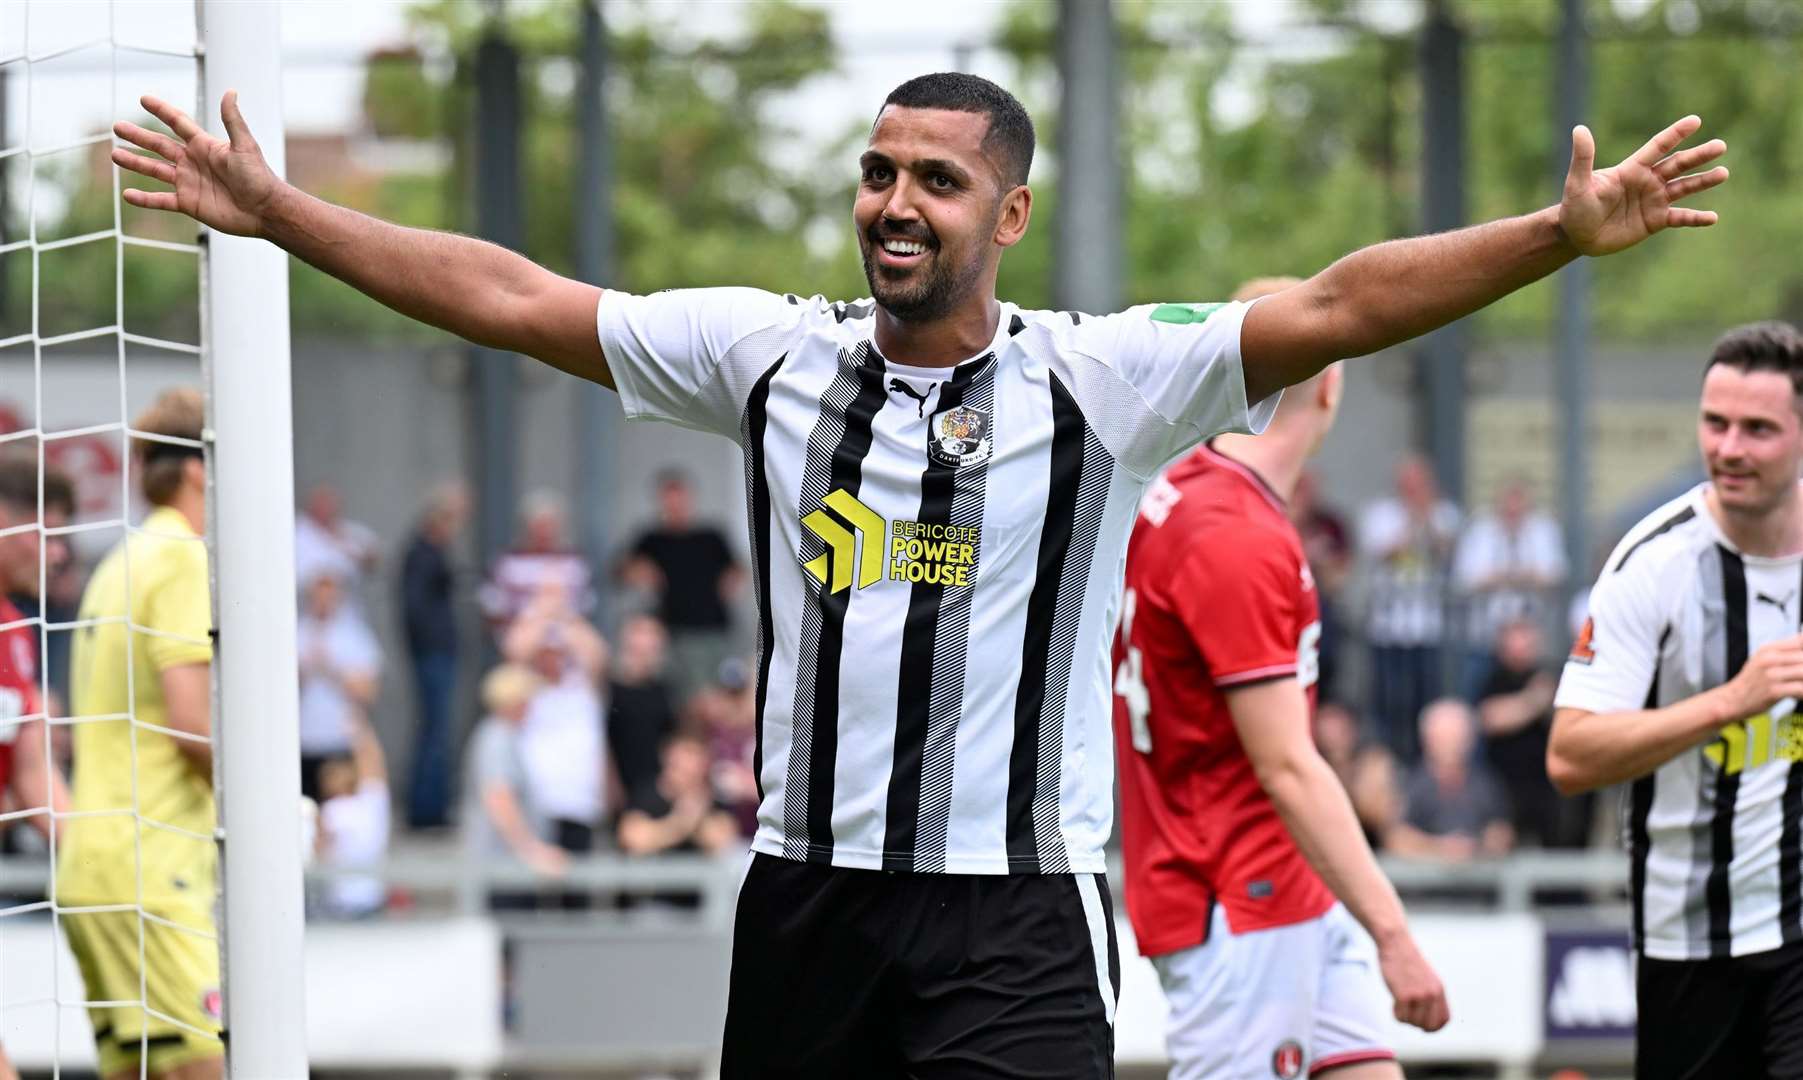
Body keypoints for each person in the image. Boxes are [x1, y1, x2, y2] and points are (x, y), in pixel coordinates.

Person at [113, 73, 1727, 1075]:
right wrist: (279, 214)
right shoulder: (766, 357)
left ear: (1007, 212)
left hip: (1013, 919)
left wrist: (1550, 234)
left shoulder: (1100, 379)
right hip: (806, 899)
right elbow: (515, 297)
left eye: (934, 180)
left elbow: (1335, 302)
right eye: (878, 171)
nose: (893, 202)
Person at [1112, 277, 1445, 1079]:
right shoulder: (1233, 534)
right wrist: (1393, 934)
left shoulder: (1174, 493)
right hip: (1238, 892)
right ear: (1330, 380)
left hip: (1286, 879)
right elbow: (1288, 764)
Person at [1549, 322, 1803, 1080]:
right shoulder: (1652, 563)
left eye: (1757, 429)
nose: (1729, 448)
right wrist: (1728, 701)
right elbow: (1569, 755)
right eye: (1714, 423)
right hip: (1685, 936)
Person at [60, 388, 222, 1080]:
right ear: (198, 470)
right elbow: (191, 727)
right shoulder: (184, 556)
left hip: (92, 867)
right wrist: (275, 801)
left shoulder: (121, 560)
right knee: (210, 1064)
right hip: (153, 868)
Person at [0, 454, 75, 1080]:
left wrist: (106, 853)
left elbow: (31, 777)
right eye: (45, 534)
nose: (56, 557)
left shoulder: (18, 630)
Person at [1359, 453, 1461, 761]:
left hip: (1425, 625)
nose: (1414, 491)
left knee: (1425, 697)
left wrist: (1426, 518)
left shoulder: (1443, 514)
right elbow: (1385, 551)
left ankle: (1424, 759)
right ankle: (1388, 760)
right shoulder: (1381, 514)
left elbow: (1447, 550)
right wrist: (1412, 520)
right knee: (1388, 700)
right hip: (1387, 626)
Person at [622, 470, 744, 708]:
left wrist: (730, 582)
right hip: (671, 630)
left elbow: (737, 569)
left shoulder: (711, 536)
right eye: (669, 498)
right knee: (678, 697)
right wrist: (639, 571)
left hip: (713, 629)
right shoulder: (652, 538)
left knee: (716, 694)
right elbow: (621, 571)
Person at [504, 583, 608, 862]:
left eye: (558, 651)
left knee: (576, 890)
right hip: (536, 804)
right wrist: (541, 610)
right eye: (546, 651)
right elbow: (514, 648)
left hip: (578, 802)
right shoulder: (526, 689)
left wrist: (564, 613)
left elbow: (597, 653)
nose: (552, 657)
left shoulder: (583, 689)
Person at [465, 663, 569, 908]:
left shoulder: (505, 736)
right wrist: (533, 851)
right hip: (502, 871)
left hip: (509, 868)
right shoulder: (497, 738)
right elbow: (499, 800)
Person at [1477, 618, 1585, 848]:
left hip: (1547, 787)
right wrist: (1533, 701)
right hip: (1504, 786)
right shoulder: (1493, 679)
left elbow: (1567, 717)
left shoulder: (1551, 674)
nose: (1520, 647)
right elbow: (1491, 718)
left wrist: (1523, 707)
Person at [1452, 478, 1567, 694]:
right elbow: (1466, 577)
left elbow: (1554, 573)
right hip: (1485, 635)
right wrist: (1511, 576)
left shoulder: (1543, 530)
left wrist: (1510, 576)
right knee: (1478, 693)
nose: (1513, 513)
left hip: (1531, 638)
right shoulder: (1481, 531)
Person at [399, 480, 469, 829]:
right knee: (434, 731)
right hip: (432, 654)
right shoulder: (423, 553)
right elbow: (416, 609)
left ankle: (432, 806)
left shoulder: (429, 552)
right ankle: (426, 810)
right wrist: (431, 645)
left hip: (436, 652)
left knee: (436, 729)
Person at [296, 559, 383, 802]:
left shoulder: (354, 635)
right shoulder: (296, 631)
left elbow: (369, 692)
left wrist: (330, 668)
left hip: (340, 740)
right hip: (303, 741)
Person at [1387, 698, 1515, 861]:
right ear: (1428, 739)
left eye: (1459, 737)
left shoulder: (1486, 783)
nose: (1453, 745)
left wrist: (1477, 846)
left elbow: (1503, 833)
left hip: (1478, 882)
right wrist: (1441, 848)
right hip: (1422, 884)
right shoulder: (1411, 784)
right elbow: (1395, 838)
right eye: (1445, 738)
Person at [479, 489, 593, 630]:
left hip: (566, 644)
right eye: (539, 525)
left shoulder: (573, 561)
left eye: (550, 524)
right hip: (521, 641)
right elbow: (492, 605)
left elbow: (585, 604)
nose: (544, 531)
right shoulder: (508, 562)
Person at [313, 716, 391, 919]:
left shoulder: (332, 810)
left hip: (342, 904)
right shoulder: (371, 805)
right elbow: (374, 762)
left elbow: (318, 851)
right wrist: (361, 731)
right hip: (372, 900)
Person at [617, 732, 742, 857]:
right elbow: (633, 840)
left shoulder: (713, 798)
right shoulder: (647, 795)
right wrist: (681, 821)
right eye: (679, 765)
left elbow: (722, 840)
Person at [606, 611, 679, 804]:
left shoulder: (666, 691)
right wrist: (610, 782)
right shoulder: (608, 690)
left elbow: (672, 739)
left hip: (656, 790)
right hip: (618, 788)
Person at [294, 481, 379, 595]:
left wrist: (353, 553)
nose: (327, 508)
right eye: (322, 503)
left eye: (330, 503)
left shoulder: (350, 531)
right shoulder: (297, 532)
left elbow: (375, 560)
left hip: (345, 607)